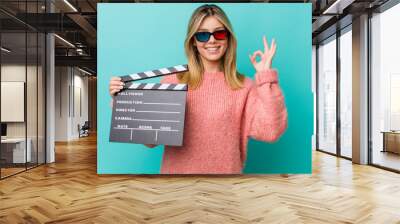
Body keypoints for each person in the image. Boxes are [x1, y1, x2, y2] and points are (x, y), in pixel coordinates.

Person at [109, 4, 288, 174]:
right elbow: (150, 141)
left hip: (225, 189)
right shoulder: (172, 82)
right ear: (193, 41)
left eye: (219, 34)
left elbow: (270, 131)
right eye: (202, 35)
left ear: (228, 38)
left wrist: (266, 78)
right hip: (177, 188)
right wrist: (123, 102)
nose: (211, 40)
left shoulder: (244, 86)